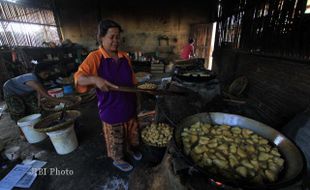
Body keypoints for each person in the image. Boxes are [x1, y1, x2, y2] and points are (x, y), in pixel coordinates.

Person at [74, 19, 141, 172]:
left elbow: (133, 81)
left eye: (118, 37)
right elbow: (79, 78)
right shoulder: (95, 57)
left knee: (132, 135)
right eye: (112, 37)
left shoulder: (125, 57)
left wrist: (138, 100)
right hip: (111, 109)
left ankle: (131, 149)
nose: (116, 41)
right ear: (101, 37)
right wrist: (95, 79)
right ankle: (118, 159)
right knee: (116, 140)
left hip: (129, 106)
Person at [3, 64, 67, 137]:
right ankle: (22, 132)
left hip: (25, 92)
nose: (46, 76)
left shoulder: (39, 80)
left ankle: (37, 128)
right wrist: (61, 101)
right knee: (19, 111)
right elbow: (45, 94)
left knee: (36, 108)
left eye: (48, 74)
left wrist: (39, 103)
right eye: (45, 74)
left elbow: (38, 92)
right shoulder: (31, 78)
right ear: (38, 72)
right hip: (11, 90)